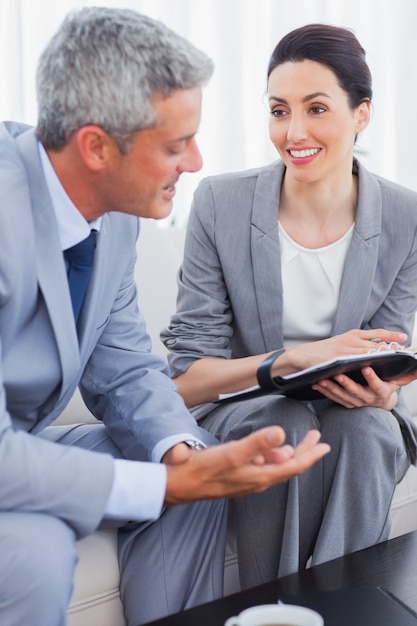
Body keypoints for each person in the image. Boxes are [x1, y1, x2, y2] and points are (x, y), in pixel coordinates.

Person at [0, 9, 331, 626]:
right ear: (96, 146)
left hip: (20, 444)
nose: (198, 162)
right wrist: (164, 486)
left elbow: (125, 370)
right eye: (177, 145)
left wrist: (179, 459)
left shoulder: (114, 211)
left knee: (194, 463)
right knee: (35, 555)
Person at [162, 23, 417, 590]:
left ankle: (342, 609)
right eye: (279, 110)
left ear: (362, 114)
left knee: (372, 432)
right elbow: (187, 373)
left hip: (347, 413)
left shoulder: (405, 216)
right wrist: (291, 360)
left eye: (317, 108)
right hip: (247, 406)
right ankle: (271, 607)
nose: (293, 131)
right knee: (283, 420)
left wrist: (386, 390)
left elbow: (388, 347)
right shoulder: (220, 203)